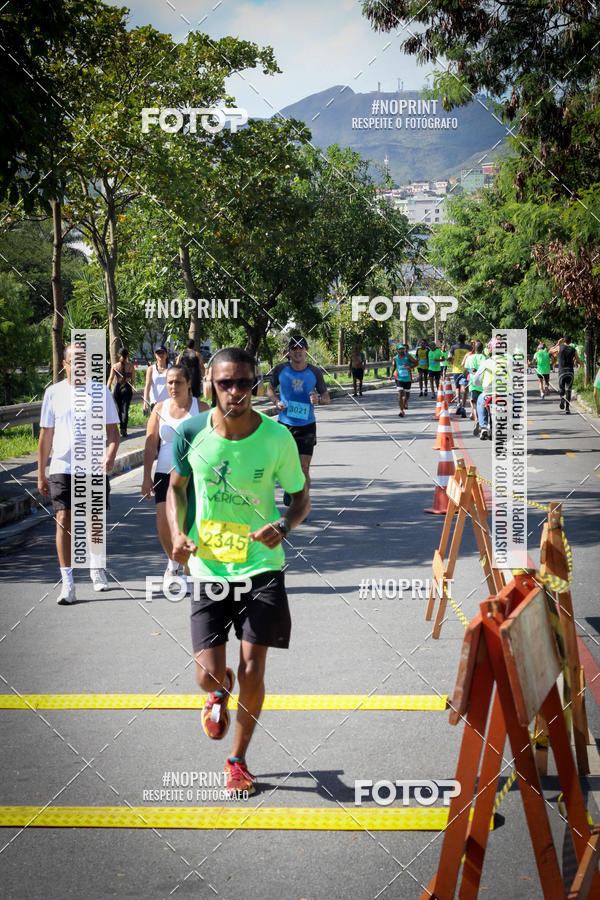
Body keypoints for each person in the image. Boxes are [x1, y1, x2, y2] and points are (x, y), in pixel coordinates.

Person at [167, 347, 309, 797]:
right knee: (207, 675)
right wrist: (177, 533)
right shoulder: (190, 431)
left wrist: (285, 525)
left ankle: (238, 760)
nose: (235, 392)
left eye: (244, 383)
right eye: (225, 383)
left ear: (255, 385)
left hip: (262, 568)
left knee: (252, 666)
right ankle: (217, 688)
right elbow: (175, 489)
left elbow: (301, 498)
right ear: (209, 383)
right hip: (208, 567)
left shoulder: (277, 437)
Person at [37, 343, 120, 604]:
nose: (80, 366)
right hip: (62, 466)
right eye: (75, 361)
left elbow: (113, 432)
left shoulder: (101, 392)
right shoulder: (54, 393)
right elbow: (46, 435)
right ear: (65, 364)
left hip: (93, 466)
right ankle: (68, 582)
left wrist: (110, 454)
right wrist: (41, 472)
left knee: (94, 519)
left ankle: (96, 568)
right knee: (64, 519)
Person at [141, 365, 207, 590]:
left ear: (189, 383)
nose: (172, 386)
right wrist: (146, 477)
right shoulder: (159, 408)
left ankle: (188, 572)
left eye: (178, 382)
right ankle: (173, 562)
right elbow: (151, 444)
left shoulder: (202, 408)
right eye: (169, 382)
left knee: (187, 523)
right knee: (163, 524)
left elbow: (215, 443)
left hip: (193, 475)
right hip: (164, 473)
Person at [266, 335, 330, 506]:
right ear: (288, 352)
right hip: (285, 425)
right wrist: (275, 402)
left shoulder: (314, 372)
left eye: (301, 348)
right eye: (294, 349)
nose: (298, 351)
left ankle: (301, 504)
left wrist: (318, 400)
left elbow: (326, 397)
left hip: (307, 426)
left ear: (306, 351)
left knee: (304, 467)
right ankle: (289, 486)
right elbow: (270, 388)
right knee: (283, 465)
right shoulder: (280, 370)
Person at [549, 335, 581, 414]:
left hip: (562, 372)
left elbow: (550, 351)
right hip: (570, 372)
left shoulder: (559, 347)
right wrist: (580, 365)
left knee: (562, 389)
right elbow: (579, 361)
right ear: (570, 341)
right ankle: (567, 408)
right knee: (568, 390)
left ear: (564, 341)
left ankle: (562, 398)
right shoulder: (573, 350)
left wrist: (557, 343)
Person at [107, 347, 134, 437]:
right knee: (125, 409)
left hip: (118, 388)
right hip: (127, 387)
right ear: (127, 356)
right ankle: (124, 429)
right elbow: (133, 380)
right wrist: (131, 387)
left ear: (119, 355)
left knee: (120, 409)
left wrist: (107, 389)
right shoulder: (131, 366)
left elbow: (110, 379)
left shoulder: (115, 366)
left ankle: (121, 427)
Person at [448, 333, 471, 416]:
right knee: (465, 389)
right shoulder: (469, 348)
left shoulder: (453, 347)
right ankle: (463, 407)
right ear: (465, 339)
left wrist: (451, 361)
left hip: (456, 370)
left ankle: (458, 404)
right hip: (465, 371)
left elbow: (449, 357)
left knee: (457, 387)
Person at [464, 341, 485, 431]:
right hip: (483, 384)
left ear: (474, 349)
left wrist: (467, 376)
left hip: (473, 383)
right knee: (483, 403)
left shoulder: (470, 358)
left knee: (474, 403)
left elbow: (466, 370)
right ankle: (483, 421)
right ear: (482, 349)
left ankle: (476, 419)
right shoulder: (485, 358)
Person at [143, 345, 171, 414]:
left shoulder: (171, 368)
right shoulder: (151, 369)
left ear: (166, 355)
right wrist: (145, 401)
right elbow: (147, 386)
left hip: (169, 403)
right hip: (155, 403)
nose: (161, 355)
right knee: (156, 424)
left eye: (163, 353)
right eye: (159, 353)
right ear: (155, 355)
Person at [394, 343, 417, 417]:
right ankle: (401, 411)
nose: (401, 350)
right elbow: (395, 365)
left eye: (402, 349)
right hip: (399, 379)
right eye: (400, 349)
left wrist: (410, 367)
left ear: (404, 350)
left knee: (407, 395)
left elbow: (416, 363)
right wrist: (392, 373)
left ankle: (405, 402)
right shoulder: (395, 358)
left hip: (407, 379)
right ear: (397, 350)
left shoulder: (408, 356)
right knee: (400, 394)